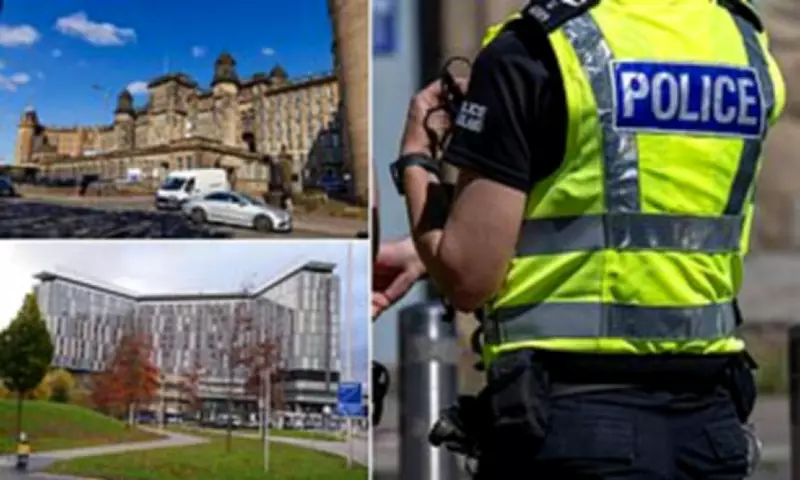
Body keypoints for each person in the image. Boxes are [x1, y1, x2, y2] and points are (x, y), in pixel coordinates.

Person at [376, 0, 786, 478]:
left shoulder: (535, 49)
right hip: (709, 430)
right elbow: (649, 215)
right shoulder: (742, 43)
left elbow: (468, 276)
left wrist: (415, 161)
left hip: (570, 426)